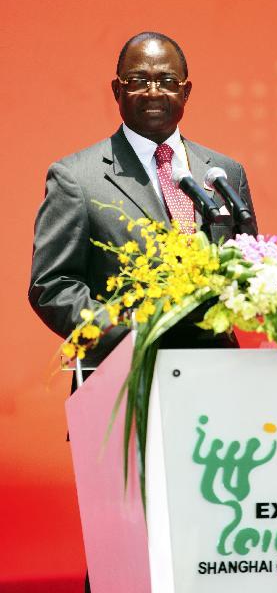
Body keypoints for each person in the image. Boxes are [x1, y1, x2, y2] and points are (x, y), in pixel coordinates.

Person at [29, 32, 257, 366]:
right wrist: (132, 330)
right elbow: (52, 286)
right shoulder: (75, 177)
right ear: (117, 91)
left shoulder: (224, 171)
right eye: (138, 80)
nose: (153, 92)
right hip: (125, 373)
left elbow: (248, 267)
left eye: (167, 80)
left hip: (217, 371)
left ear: (186, 91)